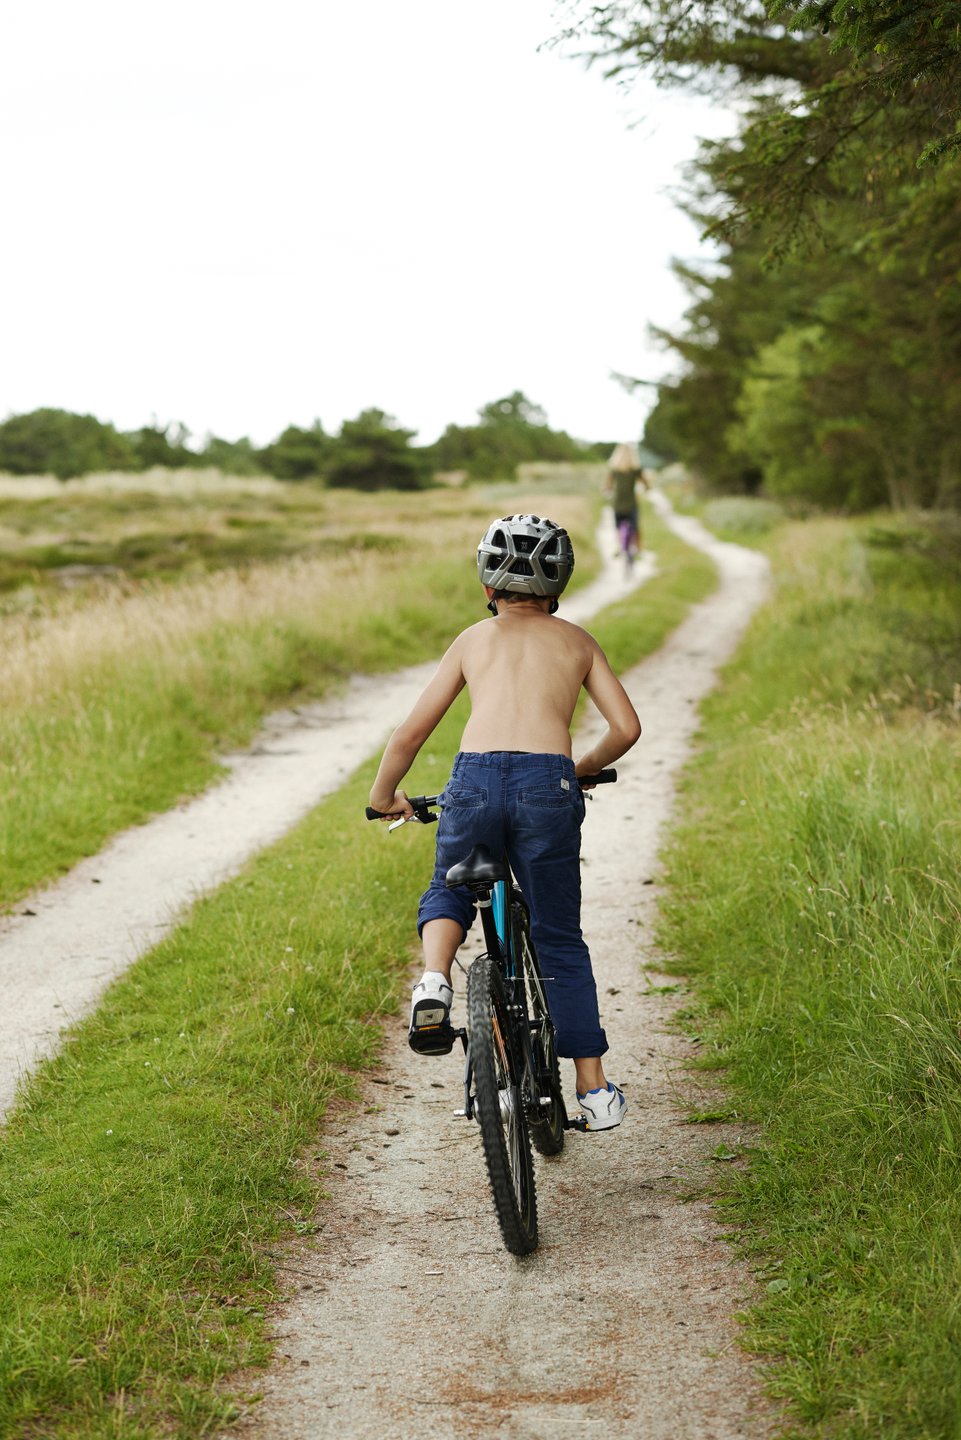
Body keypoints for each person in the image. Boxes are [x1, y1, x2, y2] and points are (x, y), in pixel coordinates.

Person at [367, 513, 641, 1130]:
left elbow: (412, 732)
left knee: (449, 886)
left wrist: (386, 794)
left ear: (488, 587)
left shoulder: (472, 639)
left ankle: (435, 983)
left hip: (475, 780)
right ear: (558, 588)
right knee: (558, 938)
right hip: (549, 783)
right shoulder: (577, 641)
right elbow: (626, 729)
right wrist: (582, 767)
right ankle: (594, 1092)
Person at [605, 443, 650, 563]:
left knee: (618, 527)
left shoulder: (614, 470)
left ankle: (618, 547)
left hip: (617, 504)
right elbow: (645, 482)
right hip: (631, 504)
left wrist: (607, 490)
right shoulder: (635, 470)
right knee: (636, 528)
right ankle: (639, 549)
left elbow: (607, 485)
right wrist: (647, 488)